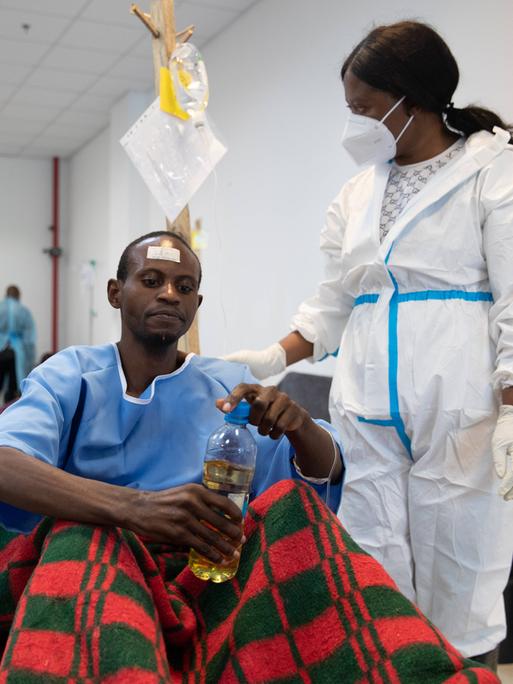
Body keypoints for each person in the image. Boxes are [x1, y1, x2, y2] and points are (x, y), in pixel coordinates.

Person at [0, 231, 496, 682]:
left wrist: (301, 427)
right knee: (84, 535)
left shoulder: (224, 386)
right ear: (116, 292)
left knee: (291, 511)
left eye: (184, 286)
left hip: (205, 569)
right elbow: (5, 464)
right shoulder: (73, 375)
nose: (169, 294)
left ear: (197, 303)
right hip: (100, 559)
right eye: (151, 280)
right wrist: (135, 510)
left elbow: (322, 476)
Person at [224, 20, 513, 668]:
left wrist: (511, 404)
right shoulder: (357, 193)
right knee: (367, 572)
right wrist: (278, 354)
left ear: (408, 102)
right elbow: (334, 299)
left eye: (362, 108)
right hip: (367, 411)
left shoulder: (491, 171)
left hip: (457, 408)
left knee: (461, 581)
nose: (353, 122)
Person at [0, 285, 36, 403]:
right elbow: (30, 339)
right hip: (17, 353)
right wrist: (30, 362)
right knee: (13, 387)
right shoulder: (23, 311)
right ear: (18, 295)